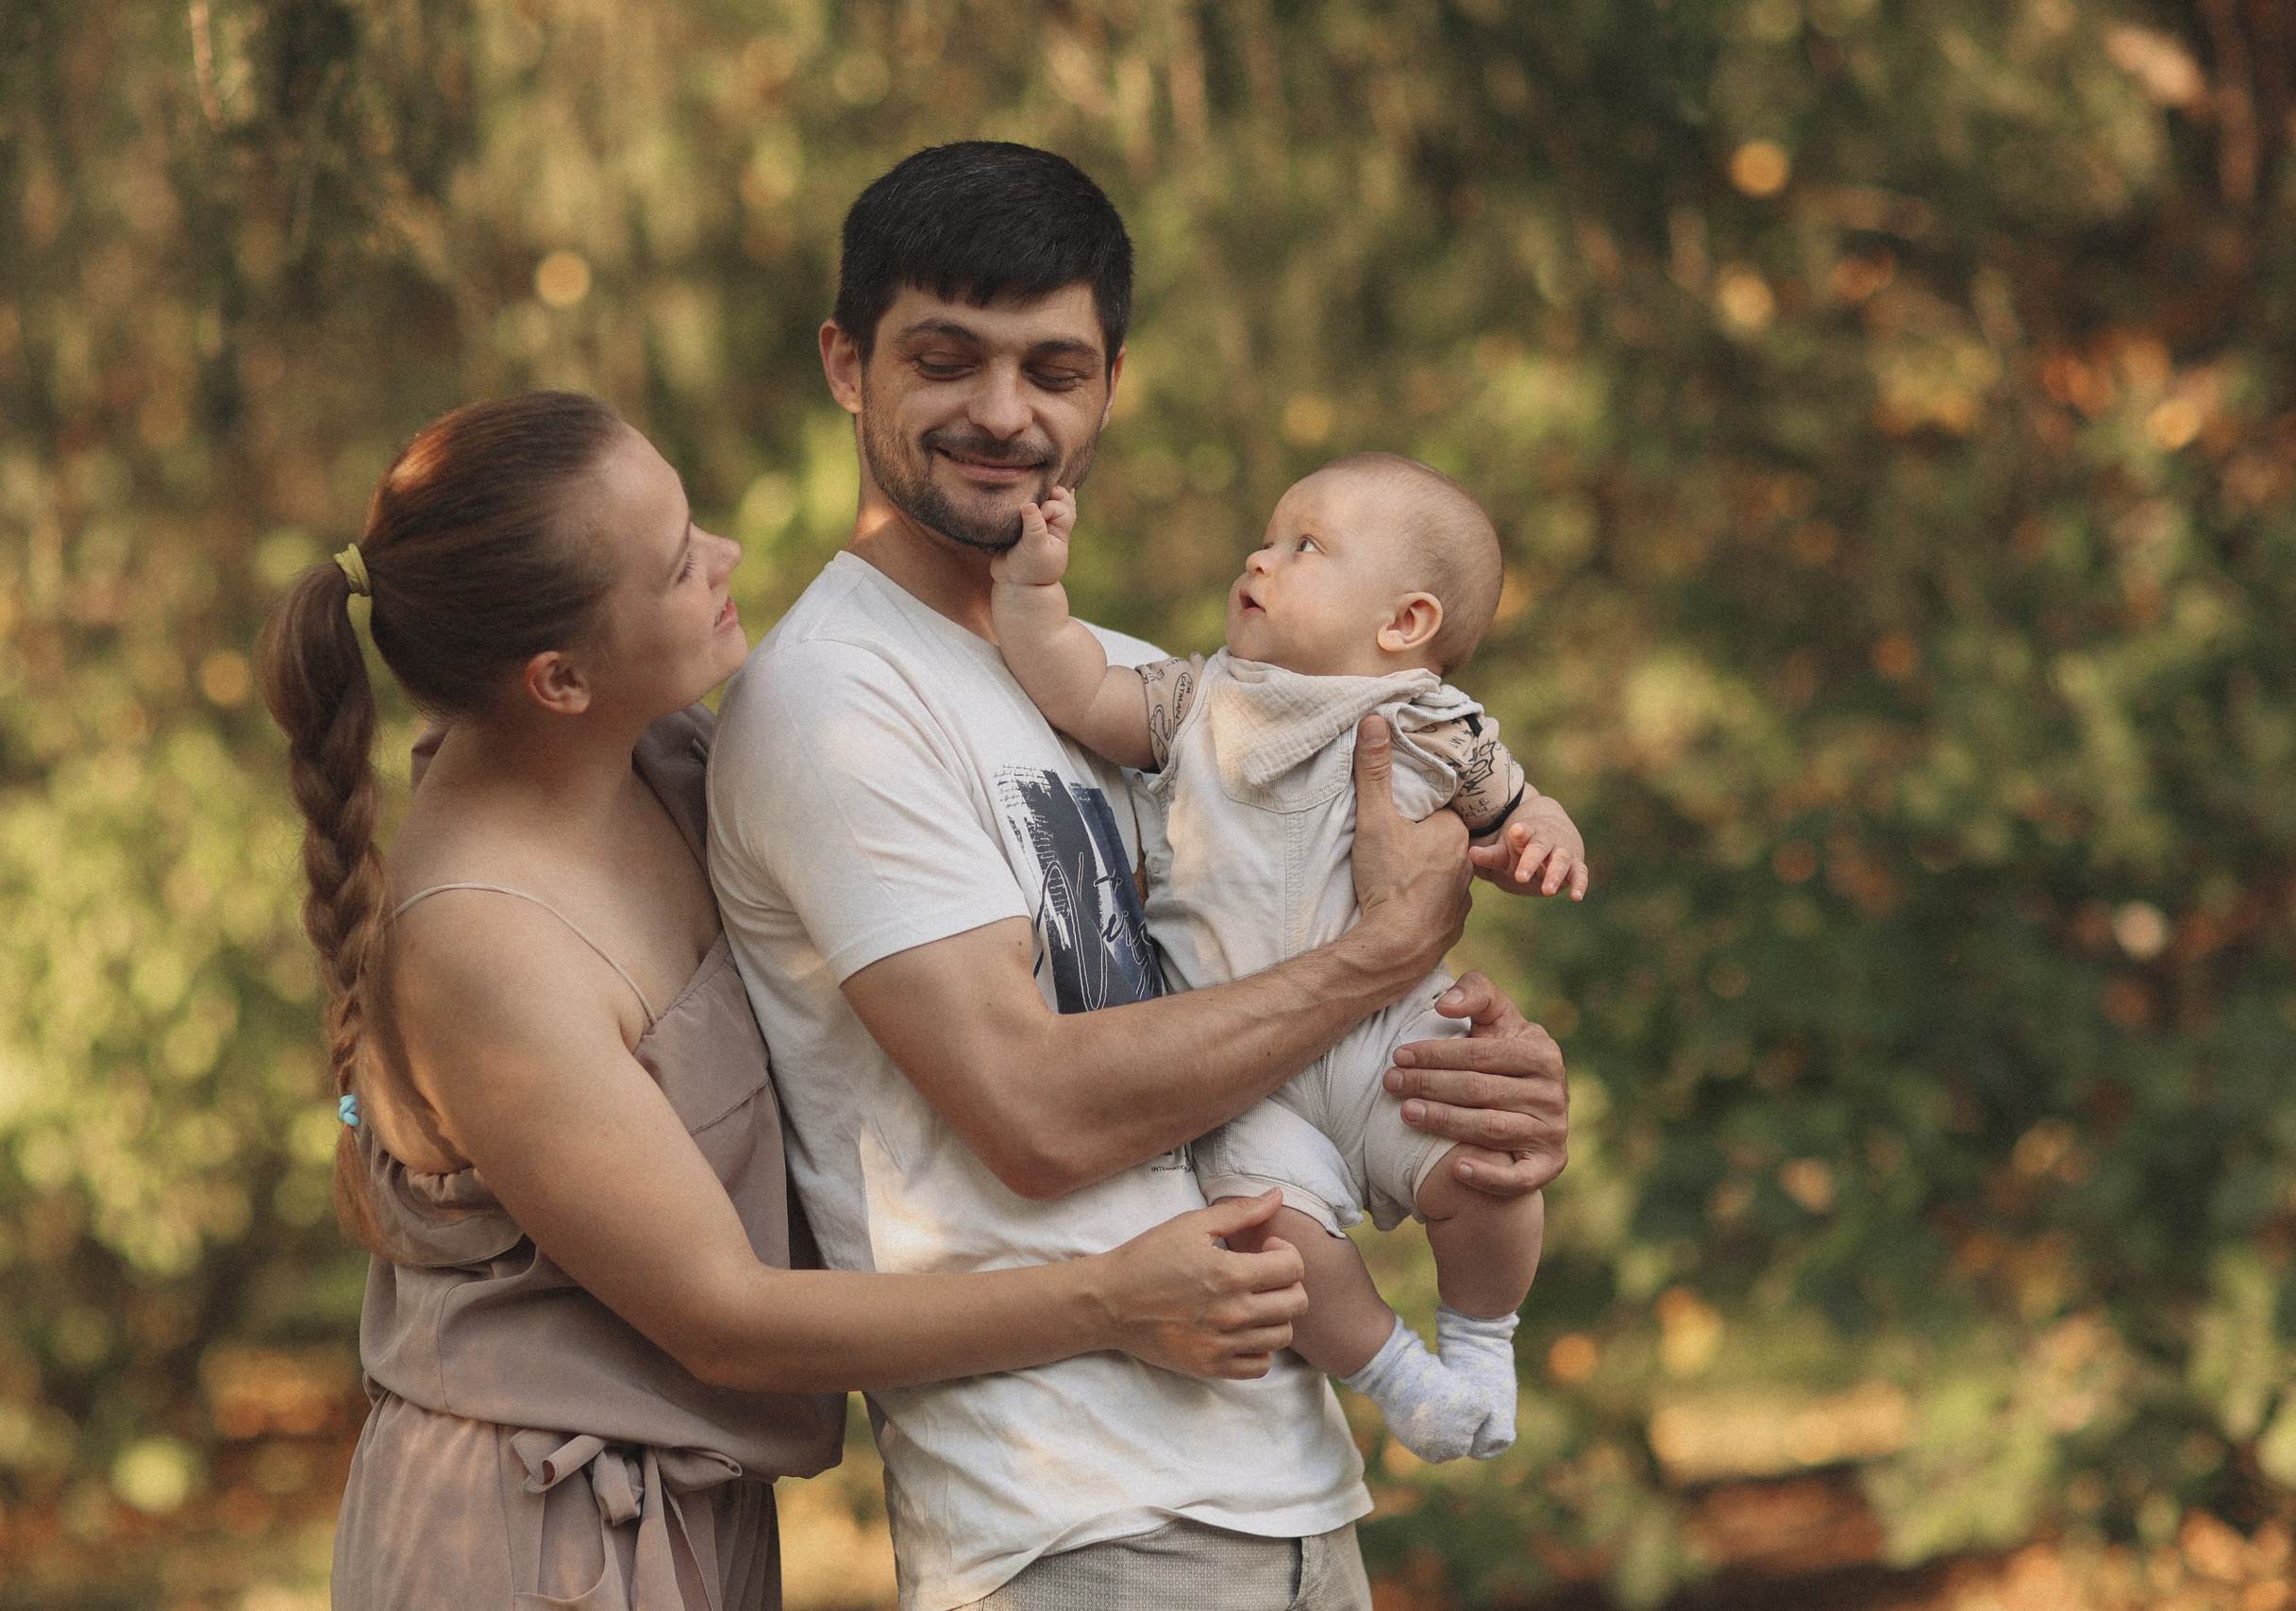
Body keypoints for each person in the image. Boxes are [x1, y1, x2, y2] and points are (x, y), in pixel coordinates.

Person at [257, 391, 1316, 1611]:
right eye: (675, 563)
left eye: (694, 520)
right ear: (559, 677)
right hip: (527, 1539)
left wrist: (1381, 1024)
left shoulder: (670, 764)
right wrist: (1116, 1297)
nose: (728, 557)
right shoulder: (488, 943)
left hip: (692, 1512)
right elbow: (724, 1316)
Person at [707, 142, 1572, 1610]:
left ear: (1112, 383)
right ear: (849, 364)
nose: (1003, 411)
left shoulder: (1124, 678)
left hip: (1285, 1490)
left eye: (1054, 368)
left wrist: (1471, 1072)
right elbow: (1035, 1113)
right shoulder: (838, 702)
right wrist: (1371, 960)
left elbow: (1264, 982)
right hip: (1073, 1521)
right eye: (946, 357)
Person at [989, 453, 1586, 1464]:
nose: (1259, 561)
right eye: (1265, 540)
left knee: (1489, 1172)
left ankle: (1482, 1339)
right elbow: (1076, 687)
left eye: (1303, 546)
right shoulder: (1197, 699)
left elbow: (1520, 807)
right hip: (1234, 1067)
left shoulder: (1439, 722)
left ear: (1405, 625)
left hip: (1394, 1039)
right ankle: (1395, 1375)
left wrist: (1542, 846)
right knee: (1264, 1230)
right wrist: (1031, 589)